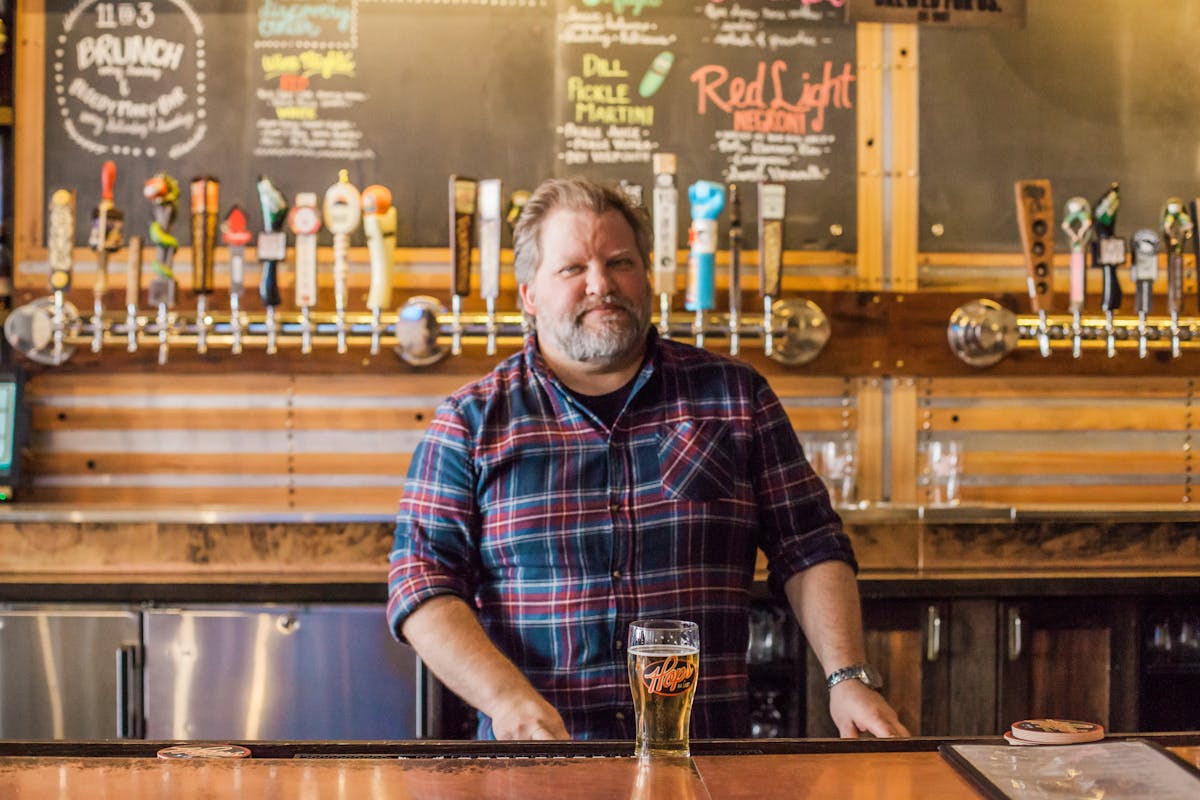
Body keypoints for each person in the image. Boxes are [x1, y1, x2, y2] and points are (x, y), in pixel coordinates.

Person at [387, 177, 909, 741]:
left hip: (702, 756)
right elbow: (421, 580)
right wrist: (507, 700)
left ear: (647, 276)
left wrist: (848, 676)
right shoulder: (471, 421)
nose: (601, 285)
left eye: (620, 263)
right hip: (541, 764)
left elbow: (808, 543)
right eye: (572, 269)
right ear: (529, 295)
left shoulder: (734, 396)